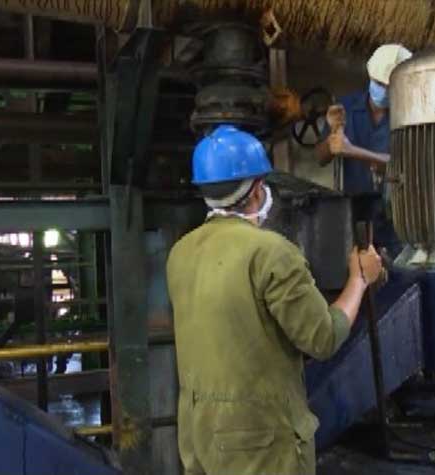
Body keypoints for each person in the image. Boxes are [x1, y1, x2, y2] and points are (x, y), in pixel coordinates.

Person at [167, 124, 383, 475]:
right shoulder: (270, 252)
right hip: (259, 441)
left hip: (199, 435)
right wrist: (359, 279)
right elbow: (324, 337)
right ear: (256, 190)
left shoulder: (181, 252)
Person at [315, 43, 412, 258]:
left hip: (396, 216)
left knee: (396, 269)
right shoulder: (346, 108)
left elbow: (405, 164)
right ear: (370, 76)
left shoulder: (410, 114)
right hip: (353, 212)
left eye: (390, 86)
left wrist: (351, 150)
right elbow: (320, 158)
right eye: (379, 83)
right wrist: (332, 140)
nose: (383, 91)